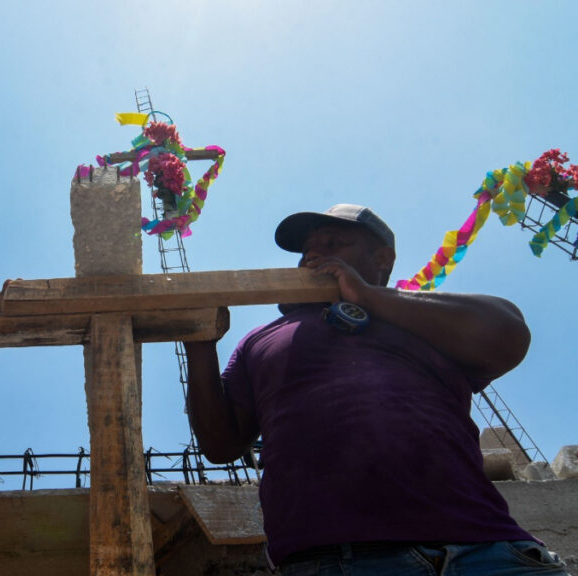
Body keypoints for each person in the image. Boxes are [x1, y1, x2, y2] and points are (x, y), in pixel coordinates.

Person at [184, 204, 569, 575]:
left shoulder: (420, 316)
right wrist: (199, 339)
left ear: (383, 259)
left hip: (488, 549)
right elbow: (220, 446)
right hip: (339, 557)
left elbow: (508, 332)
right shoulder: (261, 339)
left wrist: (367, 296)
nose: (312, 257)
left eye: (333, 244)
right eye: (306, 251)